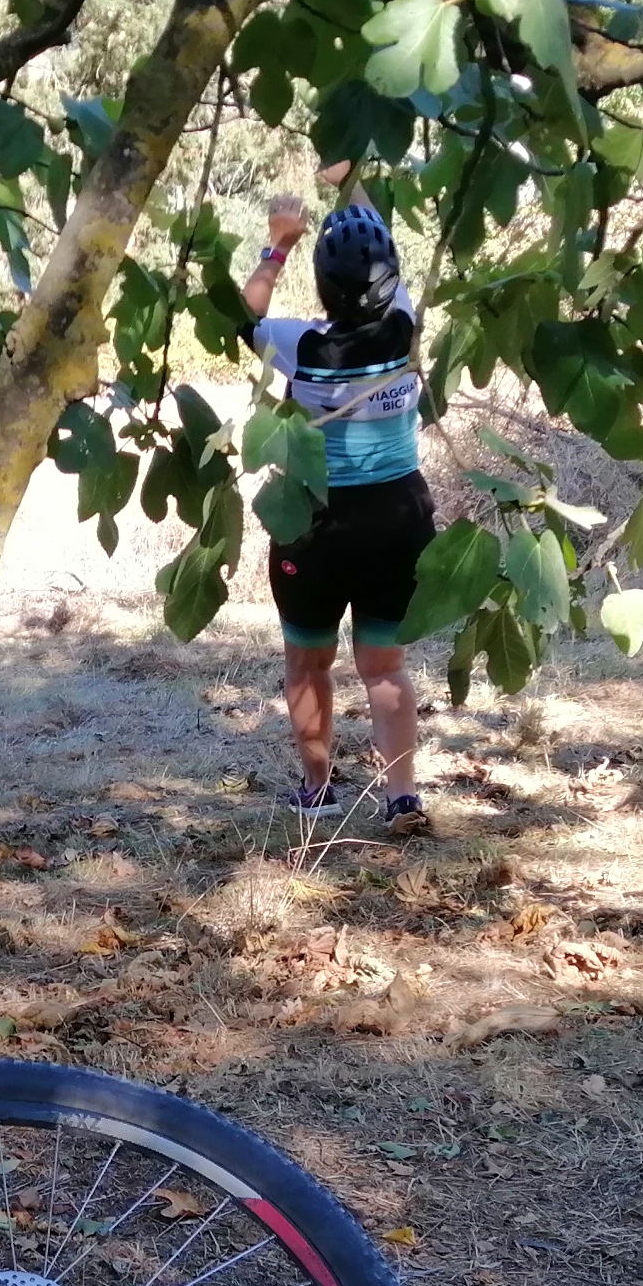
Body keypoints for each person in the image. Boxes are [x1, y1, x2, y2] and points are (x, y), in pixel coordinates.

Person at [239, 171, 435, 837]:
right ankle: (402, 798)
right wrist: (351, 178)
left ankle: (318, 789)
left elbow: (244, 313)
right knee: (384, 668)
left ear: (322, 286)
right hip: (398, 521)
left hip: (314, 525)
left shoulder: (298, 345)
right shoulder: (404, 328)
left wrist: (278, 244)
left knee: (307, 661)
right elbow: (382, 248)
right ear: (388, 277)